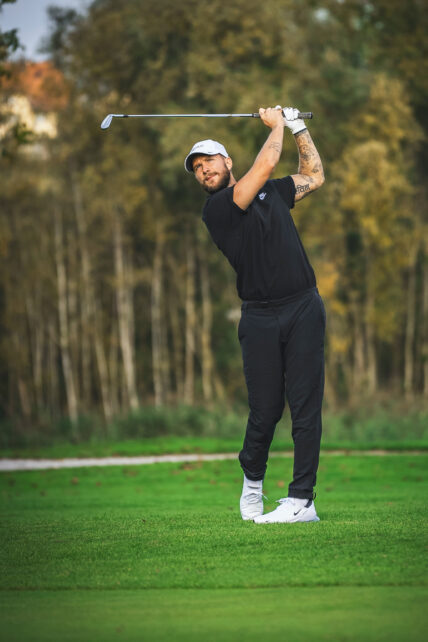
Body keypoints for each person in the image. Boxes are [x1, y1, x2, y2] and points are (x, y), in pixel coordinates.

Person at [184, 106, 326, 524]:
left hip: (303, 306)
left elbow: (314, 175)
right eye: (196, 169)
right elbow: (265, 163)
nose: (203, 171)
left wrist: (298, 127)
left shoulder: (271, 192)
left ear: (226, 161)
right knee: (265, 411)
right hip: (260, 317)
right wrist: (278, 123)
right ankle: (252, 484)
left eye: (208, 161)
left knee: (305, 408)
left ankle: (302, 500)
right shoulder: (219, 210)